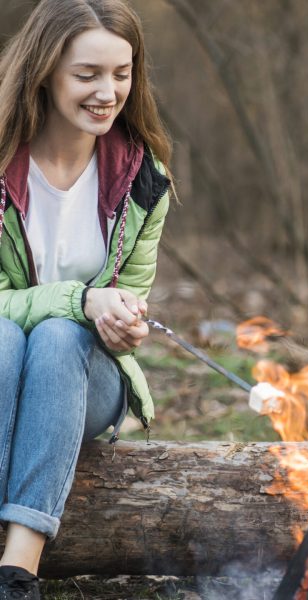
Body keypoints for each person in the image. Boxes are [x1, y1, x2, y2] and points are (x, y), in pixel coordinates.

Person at [0, 1, 172, 597]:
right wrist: (82, 298)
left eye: (121, 74)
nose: (108, 92)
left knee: (58, 334)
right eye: (87, 75)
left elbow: (129, 297)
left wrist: (124, 322)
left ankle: (18, 570)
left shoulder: (143, 180)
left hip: (82, 378)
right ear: (45, 72)